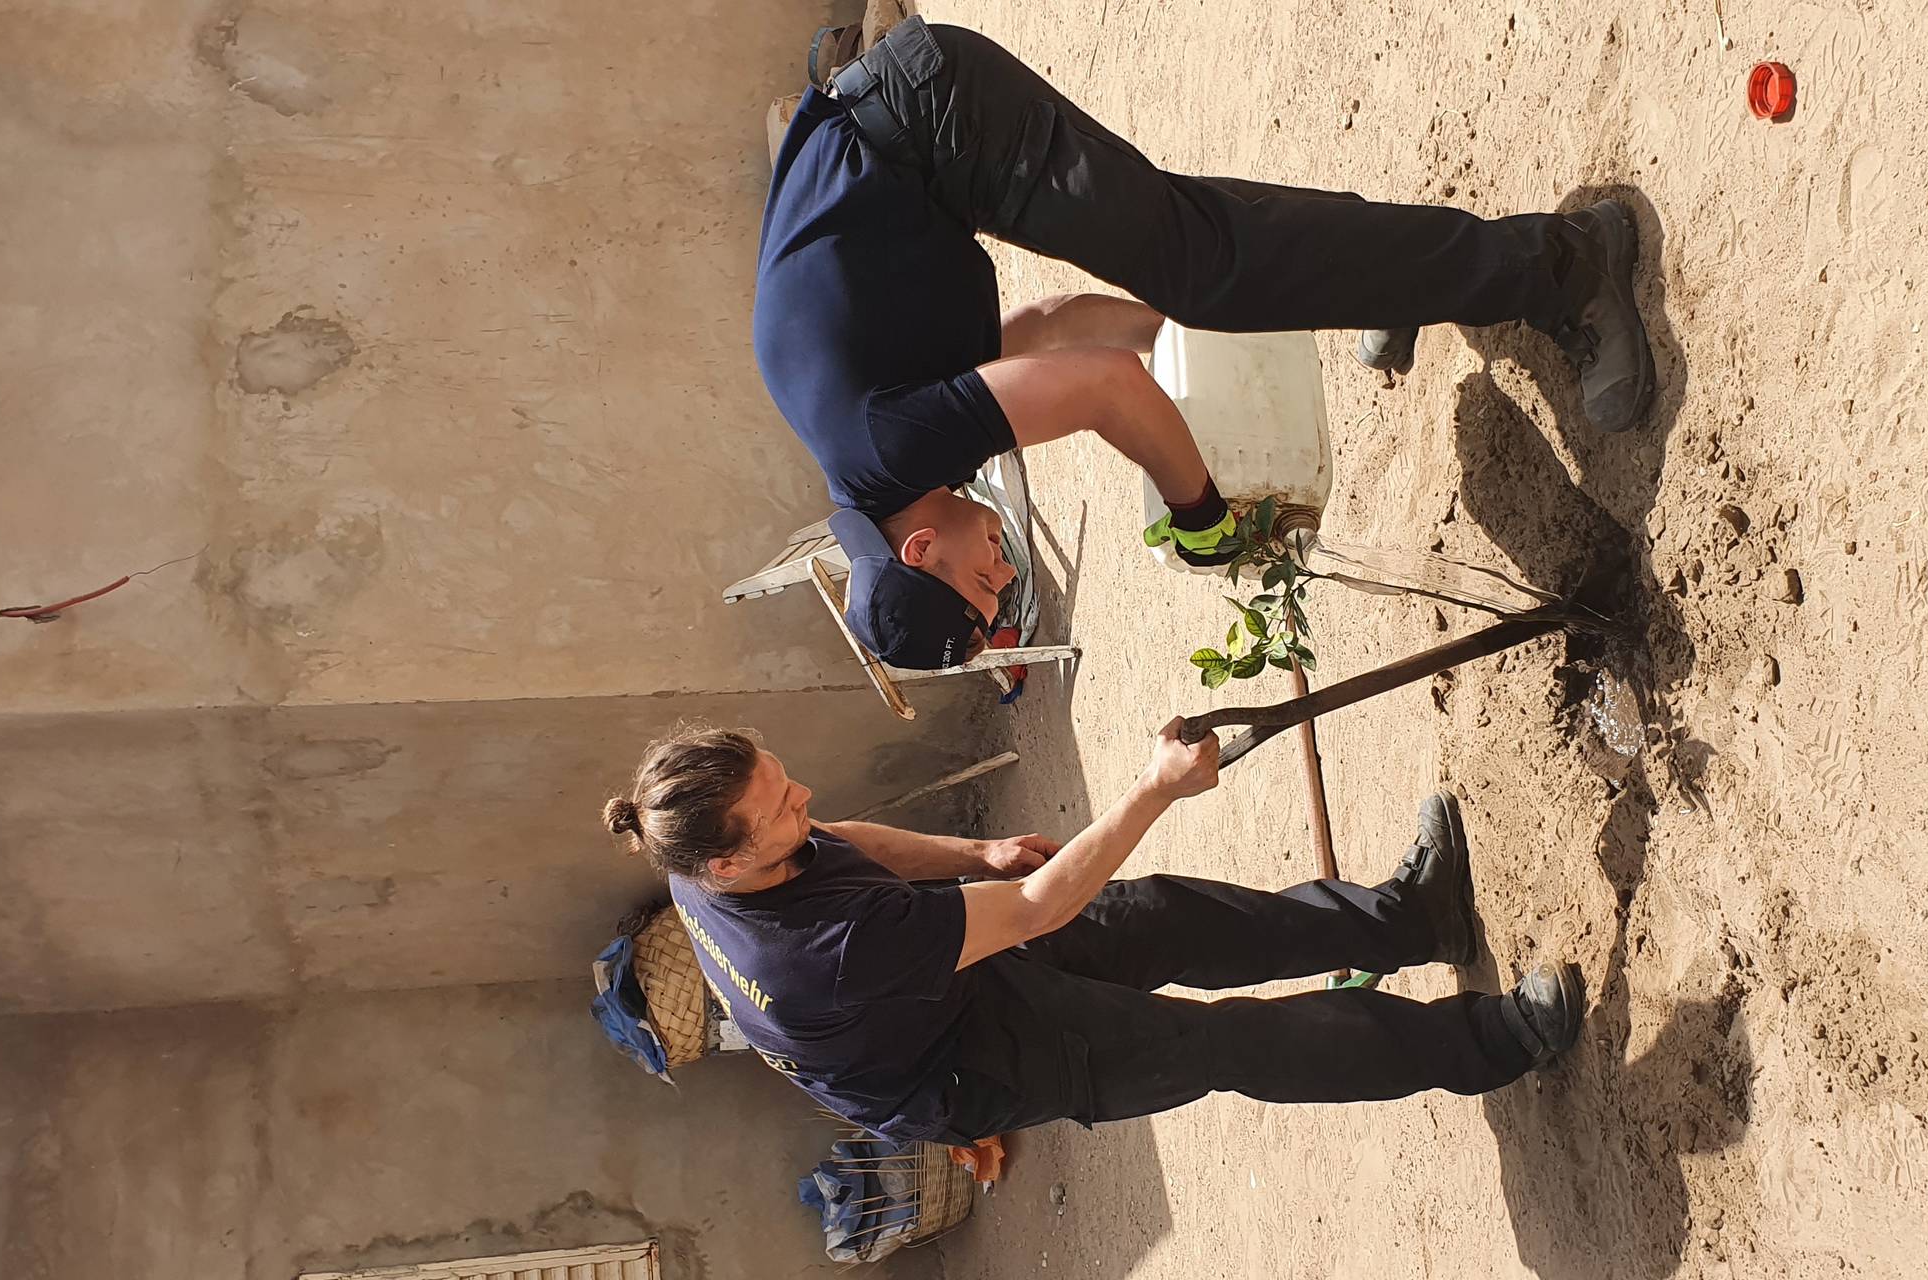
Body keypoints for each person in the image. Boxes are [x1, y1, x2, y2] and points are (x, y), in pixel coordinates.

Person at [757, 17, 1660, 669]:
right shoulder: (873, 447)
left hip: (937, 122)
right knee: (1211, 264)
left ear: (920, 553)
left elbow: (1108, 387)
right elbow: (1051, 327)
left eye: (983, 588)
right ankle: (1399, 276)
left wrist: (1202, 515)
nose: (1003, 576)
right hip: (911, 125)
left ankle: (1565, 265)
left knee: (1212, 266)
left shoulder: (892, 449)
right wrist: (1210, 332)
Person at [601, 722, 1586, 1145]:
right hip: (967, 1061)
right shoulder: (823, 957)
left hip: (927, 986)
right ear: (726, 862)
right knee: (1220, 1041)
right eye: (776, 804)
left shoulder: (695, 852)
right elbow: (1036, 910)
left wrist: (973, 846)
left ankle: (1412, 917)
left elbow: (838, 837)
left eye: (779, 775)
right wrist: (1153, 786)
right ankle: (1491, 1044)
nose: (800, 796)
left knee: (1158, 915)